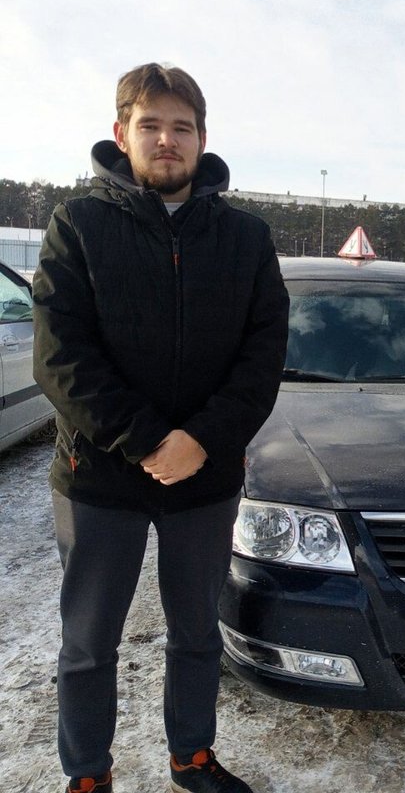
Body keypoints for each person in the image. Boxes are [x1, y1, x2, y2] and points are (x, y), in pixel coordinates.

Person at [32, 63, 289, 793]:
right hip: (98, 476)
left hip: (205, 476)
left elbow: (262, 355)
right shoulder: (78, 226)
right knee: (89, 641)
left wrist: (200, 441)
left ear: (202, 139)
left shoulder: (245, 237)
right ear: (122, 135)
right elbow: (61, 356)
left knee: (197, 633)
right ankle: (88, 773)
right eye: (151, 125)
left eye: (182, 127)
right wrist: (147, 441)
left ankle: (191, 758)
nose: (167, 140)